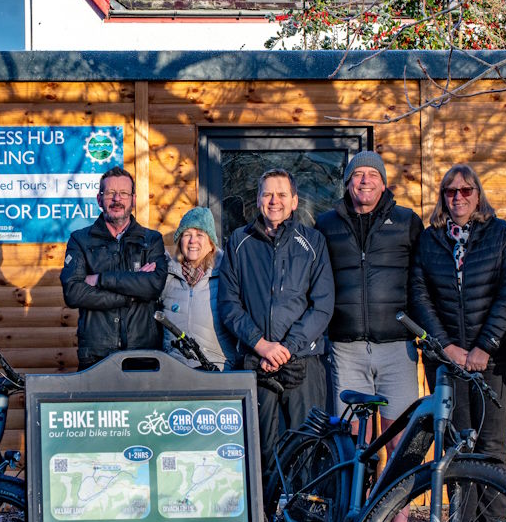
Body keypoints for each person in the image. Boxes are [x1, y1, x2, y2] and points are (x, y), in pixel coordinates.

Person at [316, 151, 422, 522]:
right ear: (347, 182)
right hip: (346, 347)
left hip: (396, 347)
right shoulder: (326, 224)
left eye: (371, 175)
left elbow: (424, 278)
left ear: (383, 181)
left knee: (399, 442)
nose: (364, 181)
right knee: (357, 445)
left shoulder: (407, 222)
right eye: (357, 175)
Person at [410, 164, 506, 522]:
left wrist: (485, 346)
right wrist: (446, 347)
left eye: (465, 190)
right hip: (447, 362)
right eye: (450, 191)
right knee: (458, 446)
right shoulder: (430, 240)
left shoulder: (502, 234)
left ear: (478, 195)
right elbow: (419, 294)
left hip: (495, 360)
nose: (458, 197)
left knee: (491, 445)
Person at [218, 168, 334, 469]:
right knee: (260, 452)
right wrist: (261, 345)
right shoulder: (238, 243)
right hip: (256, 363)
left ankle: (303, 513)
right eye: (268, 194)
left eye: (282, 194)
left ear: (294, 201)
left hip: (303, 362)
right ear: (258, 200)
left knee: (306, 447)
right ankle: (266, 516)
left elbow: (322, 306)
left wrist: (286, 349)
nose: (274, 201)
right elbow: (229, 305)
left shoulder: (314, 242)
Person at [60, 166, 168, 369]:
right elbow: (73, 293)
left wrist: (101, 279)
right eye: (110, 193)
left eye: (124, 193)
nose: (117, 199)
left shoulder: (151, 240)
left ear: (133, 199)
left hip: (143, 354)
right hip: (96, 356)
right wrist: (131, 294)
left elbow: (153, 285)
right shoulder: (81, 240)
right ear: (99, 199)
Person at [160, 207, 233, 369]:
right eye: (187, 235)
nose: (193, 241)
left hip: (217, 371)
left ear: (211, 242)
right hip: (175, 372)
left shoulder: (226, 275)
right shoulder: (168, 276)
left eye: (200, 235)